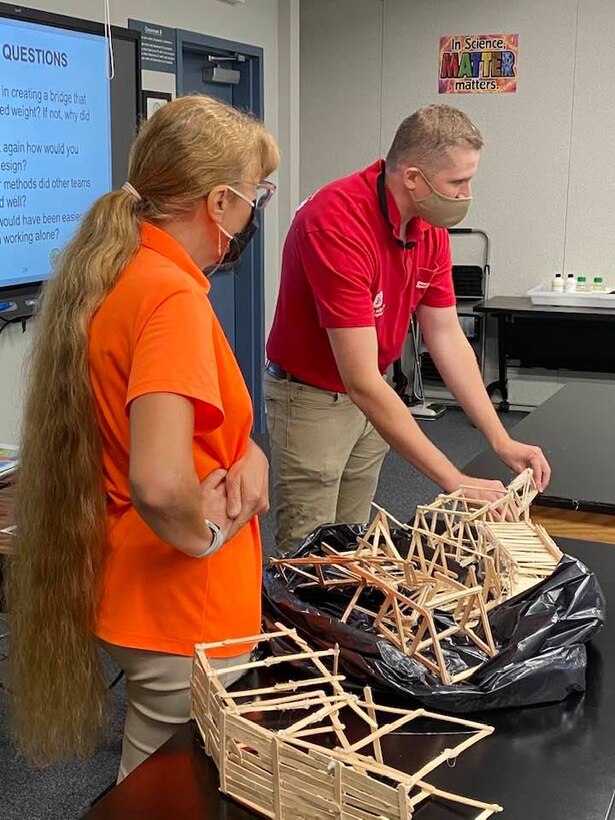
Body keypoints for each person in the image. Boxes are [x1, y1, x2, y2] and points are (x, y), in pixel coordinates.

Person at [6, 95, 279, 778]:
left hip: (134, 589)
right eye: (256, 193)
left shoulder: (124, 273)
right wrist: (207, 535)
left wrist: (246, 451)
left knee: (164, 780)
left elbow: (180, 430)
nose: (255, 210)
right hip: (185, 607)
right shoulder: (172, 299)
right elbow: (158, 481)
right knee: (172, 788)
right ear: (219, 203)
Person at [265, 104, 550, 554]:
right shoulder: (336, 221)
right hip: (312, 399)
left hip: (370, 394)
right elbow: (357, 378)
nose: (466, 194)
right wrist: (454, 480)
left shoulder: (427, 226)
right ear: (413, 177)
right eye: (458, 182)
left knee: (353, 542)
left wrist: (500, 438)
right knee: (307, 550)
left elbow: (445, 335)